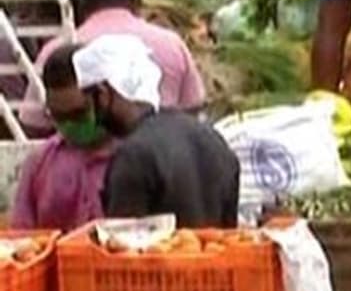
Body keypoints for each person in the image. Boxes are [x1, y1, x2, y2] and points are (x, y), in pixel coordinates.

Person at [44, 35, 240, 226]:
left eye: (87, 101)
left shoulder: (134, 155)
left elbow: (122, 246)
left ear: (103, 94)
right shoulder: (212, 139)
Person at [22, 0, 206, 135]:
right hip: (162, 157)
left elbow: (32, 123)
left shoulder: (57, 51)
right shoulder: (171, 44)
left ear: (82, 1)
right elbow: (193, 108)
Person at [10, 45, 116, 231]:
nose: (69, 124)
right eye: (59, 116)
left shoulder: (136, 158)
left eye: (78, 114)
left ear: (103, 97)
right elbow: (23, 237)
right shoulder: (40, 163)